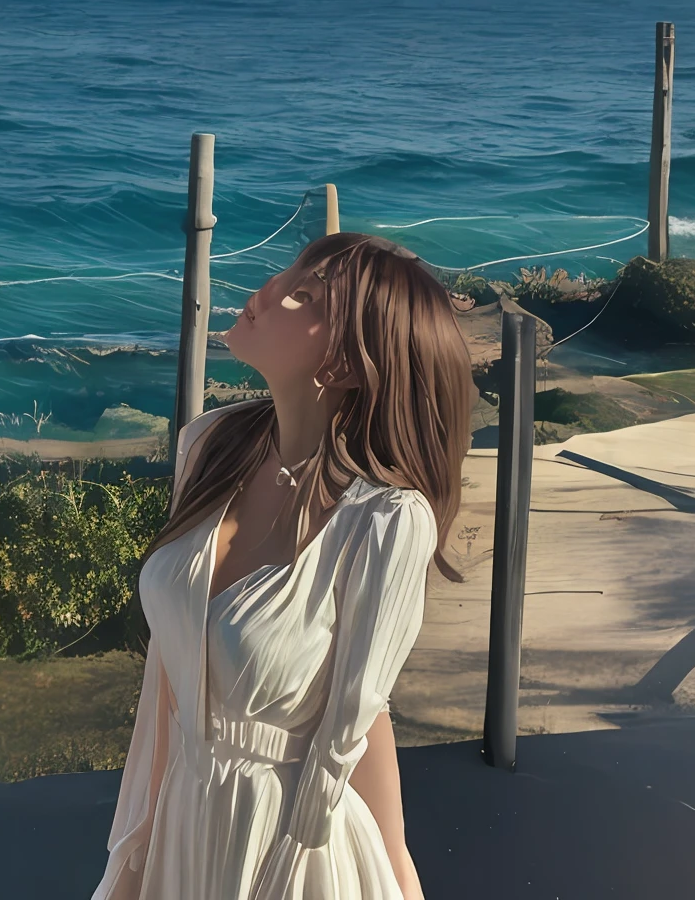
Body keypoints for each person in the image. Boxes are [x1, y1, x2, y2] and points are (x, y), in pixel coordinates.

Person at [95, 232, 472, 900]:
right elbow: (171, 676)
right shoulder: (211, 444)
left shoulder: (384, 521)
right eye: (285, 276)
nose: (266, 294)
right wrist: (137, 851)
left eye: (304, 295)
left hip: (294, 852)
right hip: (184, 829)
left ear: (348, 366)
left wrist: (398, 868)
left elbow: (360, 713)